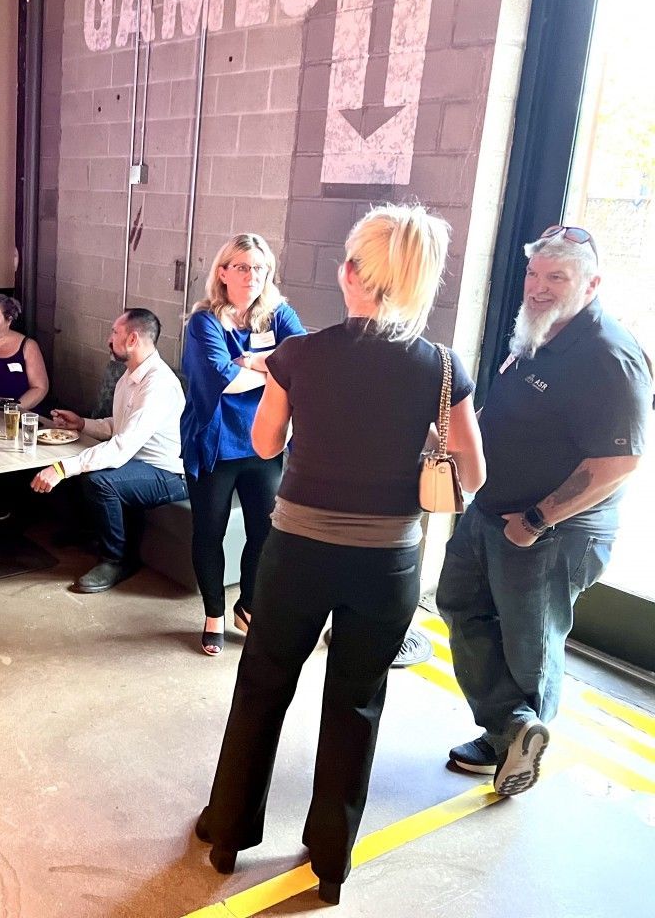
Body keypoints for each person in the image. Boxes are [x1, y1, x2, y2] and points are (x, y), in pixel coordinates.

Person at [195, 205, 485, 902]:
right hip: (387, 563)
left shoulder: (299, 354)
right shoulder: (442, 366)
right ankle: (330, 862)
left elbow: (265, 446)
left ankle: (230, 833)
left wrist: (287, 399)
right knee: (356, 701)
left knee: (264, 683)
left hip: (297, 552)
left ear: (349, 273)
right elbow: (471, 475)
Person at [436, 225, 650, 797]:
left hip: (549, 532)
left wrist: (536, 520)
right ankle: (513, 729)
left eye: (557, 277)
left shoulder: (610, 356)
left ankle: (520, 747)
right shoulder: (539, 331)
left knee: (529, 645)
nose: (538, 286)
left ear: (592, 283)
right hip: (492, 510)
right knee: (458, 604)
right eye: (535, 273)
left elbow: (618, 464)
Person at [181, 234, 306, 656]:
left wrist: (253, 361)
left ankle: (249, 604)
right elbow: (225, 380)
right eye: (241, 266)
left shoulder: (279, 315)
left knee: (267, 531)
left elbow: (303, 365)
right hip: (215, 443)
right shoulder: (204, 322)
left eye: (259, 267)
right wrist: (275, 371)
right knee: (210, 530)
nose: (251, 275)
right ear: (222, 272)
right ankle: (213, 613)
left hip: (265, 444)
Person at [29, 309, 188, 593]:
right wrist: (82, 423)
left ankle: (116, 560)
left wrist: (62, 468)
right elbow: (120, 426)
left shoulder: (158, 384)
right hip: (136, 462)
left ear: (132, 339)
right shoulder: (129, 375)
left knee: (98, 479)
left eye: (114, 333)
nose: (108, 338)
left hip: (168, 473)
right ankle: (85, 532)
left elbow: (121, 447)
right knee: (81, 465)